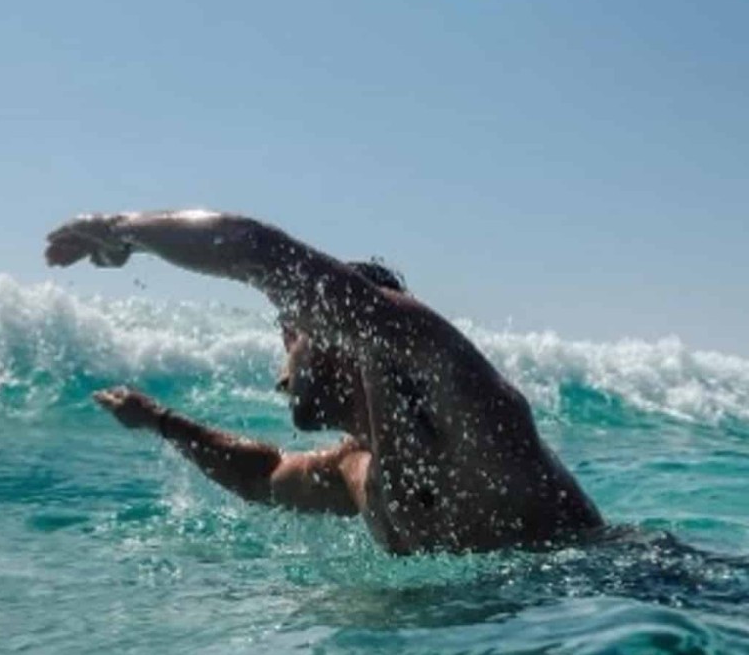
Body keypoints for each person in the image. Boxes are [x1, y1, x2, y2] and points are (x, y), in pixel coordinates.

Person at [45, 209, 604, 555]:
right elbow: (266, 476)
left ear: (333, 331)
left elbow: (259, 253)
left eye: (289, 333)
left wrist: (119, 232)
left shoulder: (459, 407)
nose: (281, 368)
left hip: (621, 608)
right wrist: (162, 421)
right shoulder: (357, 467)